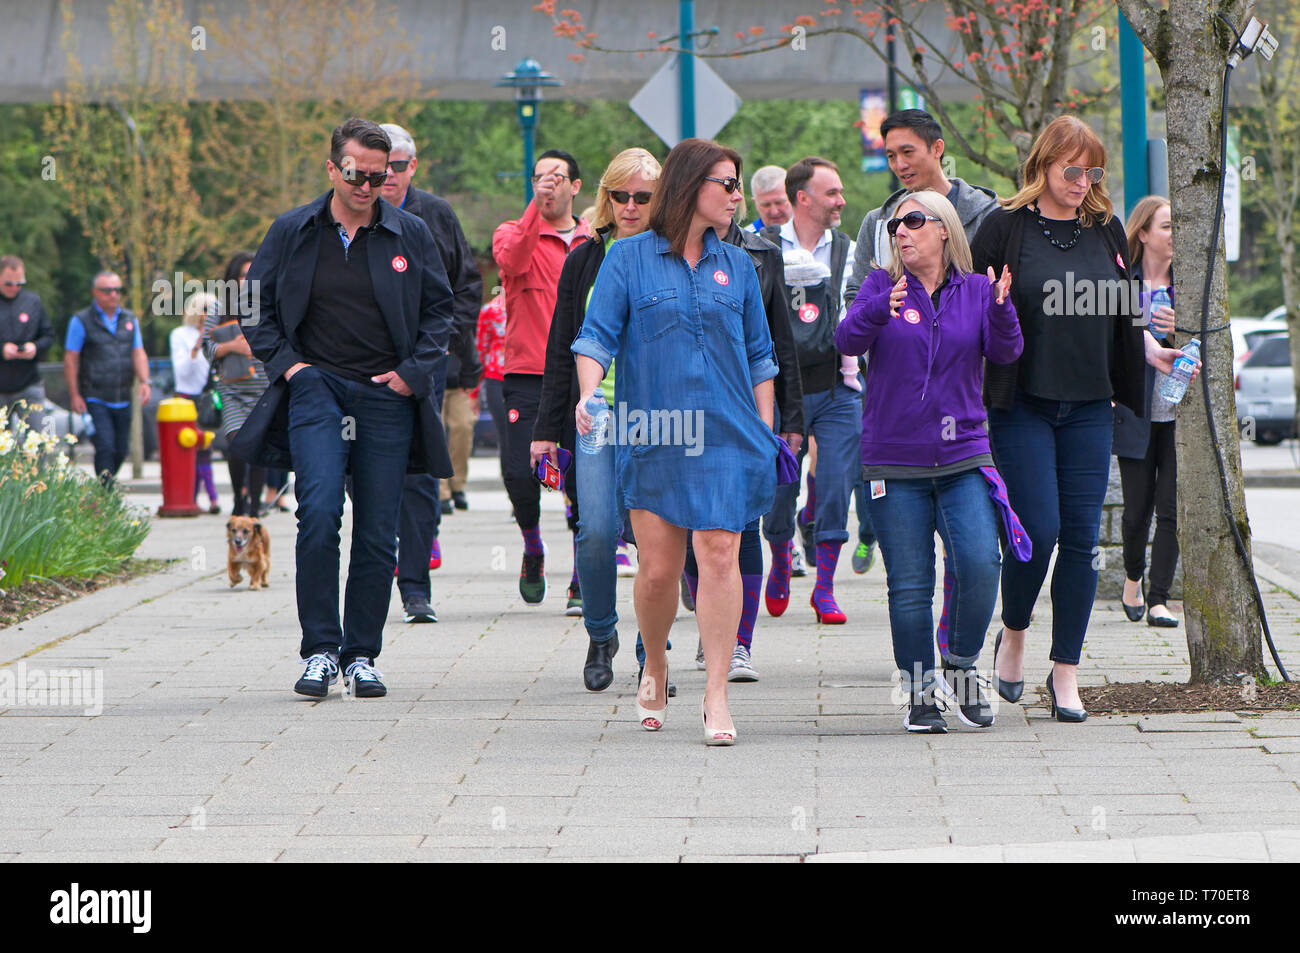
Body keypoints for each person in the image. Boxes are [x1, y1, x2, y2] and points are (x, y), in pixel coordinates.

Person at [971, 116, 1198, 723]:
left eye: (1093, 171)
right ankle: (1014, 632)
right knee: (1037, 530)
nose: (1083, 181)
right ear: (1044, 165)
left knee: (1081, 540)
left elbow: (1123, 314)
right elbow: (973, 311)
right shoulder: (1005, 228)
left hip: (1092, 406)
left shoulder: (1107, 231)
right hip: (1024, 406)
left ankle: (1066, 669)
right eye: (1072, 170)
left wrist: (1153, 352)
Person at [233, 117, 455, 699]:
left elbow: (441, 311)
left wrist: (412, 376)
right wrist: (290, 367)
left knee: (380, 529)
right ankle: (320, 651)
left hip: (386, 396)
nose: (367, 186)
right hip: (317, 391)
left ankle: (361, 655)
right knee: (320, 513)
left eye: (380, 177)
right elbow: (251, 305)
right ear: (333, 168)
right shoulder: (293, 230)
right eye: (356, 174)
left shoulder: (410, 234)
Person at [573, 137, 782, 745]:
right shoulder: (627, 259)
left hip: (726, 432)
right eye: (728, 184)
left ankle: (716, 693)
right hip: (654, 431)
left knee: (719, 552)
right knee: (659, 571)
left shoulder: (740, 265)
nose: (738, 195)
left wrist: (765, 432)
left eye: (740, 183)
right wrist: (590, 397)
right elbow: (595, 338)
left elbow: (761, 357)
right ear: (693, 188)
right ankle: (656, 662)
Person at [838, 190, 1022, 732]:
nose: (902, 230)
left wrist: (1003, 309)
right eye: (896, 223)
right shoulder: (879, 285)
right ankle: (920, 693)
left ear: (944, 229)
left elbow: (1006, 352)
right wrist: (878, 307)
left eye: (914, 221)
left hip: (964, 451)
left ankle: (962, 666)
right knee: (911, 584)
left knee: (980, 562)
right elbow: (846, 339)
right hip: (894, 460)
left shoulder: (977, 289)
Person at [846, 109, 1001, 576]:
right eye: (890, 155)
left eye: (907, 152)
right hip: (899, 408)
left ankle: (957, 637)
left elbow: (1004, 300)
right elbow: (855, 303)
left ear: (938, 149)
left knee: (971, 547)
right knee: (912, 571)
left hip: (975, 401)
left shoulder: (987, 218)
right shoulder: (879, 222)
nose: (898, 164)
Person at [532, 147, 661, 691]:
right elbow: (562, 345)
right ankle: (601, 632)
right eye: (619, 195)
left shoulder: (677, 253)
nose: (629, 206)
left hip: (660, 416)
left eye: (642, 197)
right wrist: (543, 430)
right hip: (597, 415)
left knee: (655, 538)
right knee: (597, 529)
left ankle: (652, 650)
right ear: (605, 198)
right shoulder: (586, 257)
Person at [379, 122, 484, 624]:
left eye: (398, 167)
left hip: (425, 364)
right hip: (358, 367)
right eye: (380, 169)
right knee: (365, 474)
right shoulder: (343, 215)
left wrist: (441, 343)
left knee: (420, 472)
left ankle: (415, 588)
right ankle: (376, 569)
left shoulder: (435, 215)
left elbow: (467, 284)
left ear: (412, 166)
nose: (388, 177)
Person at [760, 156, 860, 627]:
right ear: (802, 198)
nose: (841, 201)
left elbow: (860, 305)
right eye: (832, 193)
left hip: (838, 386)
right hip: (779, 390)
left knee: (838, 483)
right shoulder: (758, 247)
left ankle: (825, 588)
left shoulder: (849, 247)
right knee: (780, 488)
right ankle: (780, 552)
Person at [493, 150, 594, 610]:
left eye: (557, 178)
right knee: (520, 472)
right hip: (527, 375)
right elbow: (512, 261)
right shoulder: (514, 234)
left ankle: (580, 571)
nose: (548, 184)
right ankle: (533, 546)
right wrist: (537, 205)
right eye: (539, 177)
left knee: (579, 477)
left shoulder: (592, 240)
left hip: (582, 375)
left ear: (576, 186)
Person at [1115, 196, 1180, 628]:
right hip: (1136, 413)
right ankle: (1133, 577)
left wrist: (1180, 327)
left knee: (1171, 508)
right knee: (1137, 511)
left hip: (1178, 416)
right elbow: (1111, 343)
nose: (1174, 235)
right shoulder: (1124, 285)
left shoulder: (1188, 284)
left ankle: (1159, 598)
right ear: (1143, 233)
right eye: (1167, 226)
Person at [63, 271, 151, 486]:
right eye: (107, 290)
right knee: (105, 446)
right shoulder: (81, 321)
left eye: (117, 290)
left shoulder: (129, 319)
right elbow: (71, 359)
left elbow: (138, 352)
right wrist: (74, 394)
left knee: (121, 449)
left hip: (122, 395)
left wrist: (144, 381)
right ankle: (107, 494)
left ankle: (102, 489)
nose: (113, 295)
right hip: (94, 396)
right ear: (95, 293)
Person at [203, 251, 268, 516]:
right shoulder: (220, 308)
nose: (247, 280)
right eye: (242, 275)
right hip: (232, 390)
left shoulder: (268, 304)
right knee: (237, 442)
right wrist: (231, 347)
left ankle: (253, 506)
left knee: (260, 447)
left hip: (264, 390)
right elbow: (207, 348)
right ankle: (239, 497)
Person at [170, 292, 220, 514]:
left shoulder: (217, 335)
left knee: (205, 448)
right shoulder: (180, 335)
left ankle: (213, 498)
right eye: (204, 309)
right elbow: (182, 370)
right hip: (185, 397)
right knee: (188, 449)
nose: (207, 315)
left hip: (206, 398)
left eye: (212, 310)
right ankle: (190, 498)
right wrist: (198, 344)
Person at [0, 255, 55, 434]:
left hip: (29, 383)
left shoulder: (33, 302)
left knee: (40, 440)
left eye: (19, 283)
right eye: (9, 283)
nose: (15, 287)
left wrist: (35, 347)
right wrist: (2, 349)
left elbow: (48, 335)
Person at [747, 165, 793, 232]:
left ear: (792, 197)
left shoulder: (811, 232)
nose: (774, 212)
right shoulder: (744, 240)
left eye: (779, 203)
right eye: (766, 205)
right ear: (755, 203)